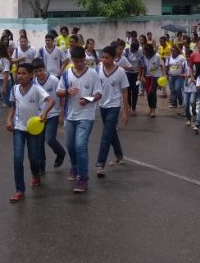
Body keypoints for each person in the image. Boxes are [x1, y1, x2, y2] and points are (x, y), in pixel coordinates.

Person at [57, 46, 102, 193]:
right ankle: (74, 166)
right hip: (70, 116)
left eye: (81, 61)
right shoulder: (66, 74)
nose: (79, 64)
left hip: (86, 115)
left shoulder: (93, 74)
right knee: (70, 145)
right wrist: (67, 91)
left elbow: (98, 94)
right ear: (72, 60)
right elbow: (59, 92)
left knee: (80, 145)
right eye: (76, 61)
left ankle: (83, 178)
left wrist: (88, 99)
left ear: (85, 59)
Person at [6, 63, 53, 202]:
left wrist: (44, 113)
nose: (20, 76)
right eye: (19, 73)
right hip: (18, 128)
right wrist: (8, 120)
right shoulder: (14, 89)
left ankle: (36, 175)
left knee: (33, 157)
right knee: (18, 158)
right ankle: (19, 190)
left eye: (24, 73)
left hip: (33, 129)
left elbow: (51, 100)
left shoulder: (37, 89)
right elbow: (13, 107)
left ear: (31, 75)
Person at [95, 46, 129, 178]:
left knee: (106, 135)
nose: (104, 60)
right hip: (102, 105)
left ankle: (100, 164)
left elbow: (125, 91)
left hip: (114, 106)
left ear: (114, 58)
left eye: (107, 58)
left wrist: (126, 111)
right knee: (111, 132)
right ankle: (119, 156)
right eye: (103, 57)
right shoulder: (98, 69)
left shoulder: (120, 72)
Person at [32, 58, 66, 173]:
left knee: (50, 139)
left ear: (45, 69)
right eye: (36, 71)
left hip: (53, 114)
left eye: (40, 70)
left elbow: (61, 97)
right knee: (39, 143)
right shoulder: (34, 82)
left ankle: (60, 152)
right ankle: (41, 167)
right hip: (39, 116)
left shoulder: (54, 80)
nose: (39, 73)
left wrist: (61, 112)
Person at [141, 43, 165, 118]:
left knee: (152, 92)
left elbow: (162, 66)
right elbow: (143, 67)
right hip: (147, 77)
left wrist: (164, 76)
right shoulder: (143, 57)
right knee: (148, 93)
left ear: (148, 50)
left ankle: (153, 110)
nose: (142, 51)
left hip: (156, 77)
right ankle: (150, 108)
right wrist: (142, 76)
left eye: (144, 50)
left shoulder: (157, 56)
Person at [123, 41, 143, 115]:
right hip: (127, 74)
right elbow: (123, 62)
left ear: (137, 49)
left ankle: (133, 108)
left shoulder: (140, 51)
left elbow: (140, 64)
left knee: (135, 91)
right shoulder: (126, 51)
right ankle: (128, 106)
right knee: (128, 90)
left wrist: (139, 75)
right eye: (132, 49)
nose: (133, 51)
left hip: (136, 74)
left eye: (134, 50)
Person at [165, 45, 187, 110]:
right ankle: (174, 103)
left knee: (177, 89)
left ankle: (180, 102)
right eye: (171, 51)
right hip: (171, 76)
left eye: (174, 51)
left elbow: (185, 66)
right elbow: (166, 67)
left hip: (179, 76)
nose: (173, 52)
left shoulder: (181, 58)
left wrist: (183, 74)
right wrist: (166, 75)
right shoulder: (169, 58)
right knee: (172, 90)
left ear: (177, 51)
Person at [183, 49, 197, 126]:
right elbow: (180, 73)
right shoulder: (183, 63)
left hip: (193, 86)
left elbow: (197, 74)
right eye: (187, 56)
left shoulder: (195, 64)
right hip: (186, 86)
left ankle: (194, 112)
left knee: (192, 102)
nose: (188, 58)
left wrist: (192, 76)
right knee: (185, 104)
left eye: (189, 56)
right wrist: (184, 75)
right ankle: (188, 118)